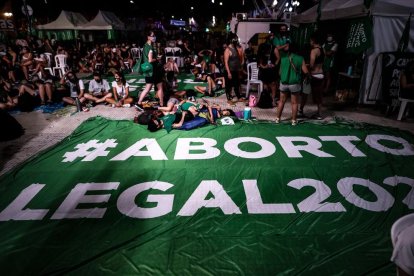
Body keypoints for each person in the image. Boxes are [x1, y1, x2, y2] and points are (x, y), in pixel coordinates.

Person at [275, 43, 310, 126]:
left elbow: (280, 72)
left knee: (281, 101)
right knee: (294, 103)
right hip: (294, 83)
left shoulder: (283, 58)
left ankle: (277, 119)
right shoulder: (300, 58)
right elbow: (305, 71)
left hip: (284, 83)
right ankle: (293, 121)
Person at [136, 31, 165, 110]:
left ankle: (139, 103)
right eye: (152, 36)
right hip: (153, 70)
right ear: (148, 37)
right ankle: (162, 105)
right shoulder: (150, 47)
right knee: (159, 87)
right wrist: (157, 58)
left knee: (148, 88)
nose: (154, 37)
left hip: (148, 71)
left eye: (154, 36)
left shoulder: (145, 46)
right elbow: (150, 60)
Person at [299, 33, 325, 120]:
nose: (310, 42)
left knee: (305, 93)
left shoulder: (314, 51)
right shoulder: (323, 49)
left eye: (310, 40)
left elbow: (311, 65)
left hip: (313, 75)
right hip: (321, 74)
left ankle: (301, 110)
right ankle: (319, 113)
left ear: (313, 41)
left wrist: (304, 65)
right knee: (318, 95)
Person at [224, 34, 245, 104]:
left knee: (236, 84)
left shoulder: (236, 48)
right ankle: (229, 98)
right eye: (235, 39)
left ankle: (239, 97)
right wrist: (228, 72)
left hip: (236, 70)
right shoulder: (227, 50)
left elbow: (239, 59)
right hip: (229, 70)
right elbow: (226, 62)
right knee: (228, 85)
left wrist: (240, 68)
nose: (236, 41)